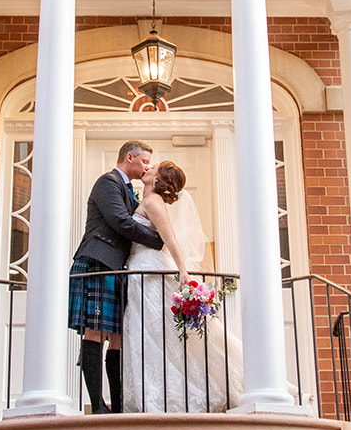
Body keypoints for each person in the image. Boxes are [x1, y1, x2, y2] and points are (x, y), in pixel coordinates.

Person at [122, 160, 244, 414]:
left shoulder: (154, 202)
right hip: (139, 269)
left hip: (150, 269)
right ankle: (157, 393)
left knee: (156, 331)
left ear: (157, 181)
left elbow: (170, 239)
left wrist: (184, 271)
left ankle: (175, 394)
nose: (148, 167)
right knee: (151, 332)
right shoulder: (146, 201)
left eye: (152, 167)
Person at [69, 140, 164, 413]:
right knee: (95, 331)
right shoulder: (107, 182)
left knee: (117, 337)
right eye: (145, 161)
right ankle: (98, 405)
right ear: (130, 157)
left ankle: (119, 404)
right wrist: (159, 241)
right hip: (98, 263)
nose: (147, 166)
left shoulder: (129, 190)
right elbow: (121, 222)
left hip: (116, 267)